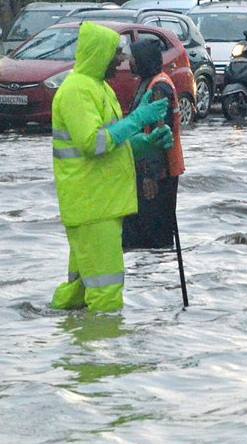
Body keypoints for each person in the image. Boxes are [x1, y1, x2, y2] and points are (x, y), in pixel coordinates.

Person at [51, 22, 172, 312]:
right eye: (115, 54)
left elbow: (113, 143)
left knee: (77, 293)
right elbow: (93, 144)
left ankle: (70, 344)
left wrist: (145, 143)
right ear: (99, 54)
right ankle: (105, 354)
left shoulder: (98, 88)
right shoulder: (77, 91)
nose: (120, 61)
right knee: (106, 296)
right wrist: (139, 117)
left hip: (99, 203)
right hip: (93, 206)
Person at [122, 36, 185, 251]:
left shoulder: (160, 87)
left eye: (133, 58)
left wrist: (151, 175)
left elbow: (161, 133)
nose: (129, 63)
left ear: (144, 60)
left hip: (159, 172)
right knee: (141, 232)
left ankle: (158, 279)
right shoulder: (148, 82)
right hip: (147, 169)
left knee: (156, 235)